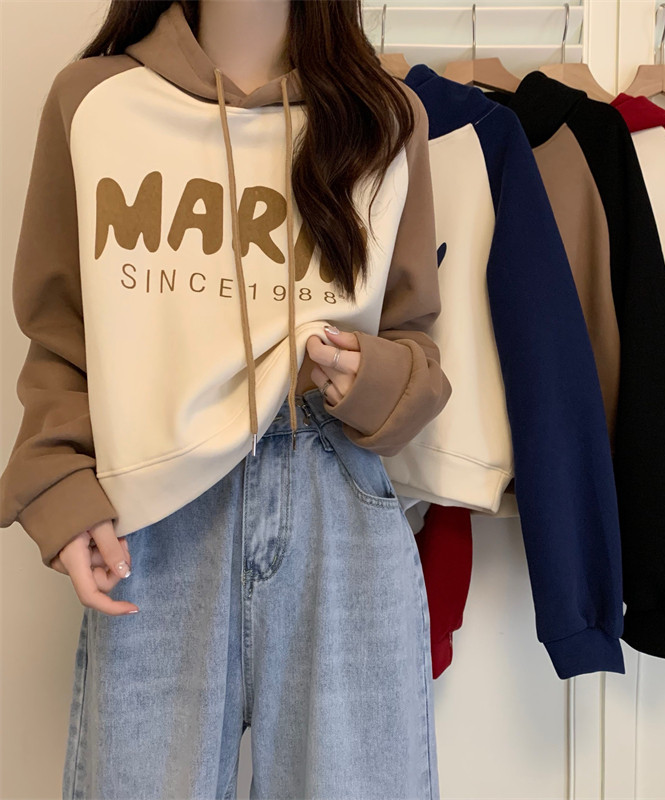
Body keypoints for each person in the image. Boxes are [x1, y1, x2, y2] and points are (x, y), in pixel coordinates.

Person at [0, 1, 451, 797]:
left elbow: (414, 339)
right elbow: (61, 331)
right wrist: (61, 488)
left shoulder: (384, 118)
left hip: (333, 499)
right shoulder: (95, 102)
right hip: (154, 512)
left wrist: (370, 376)